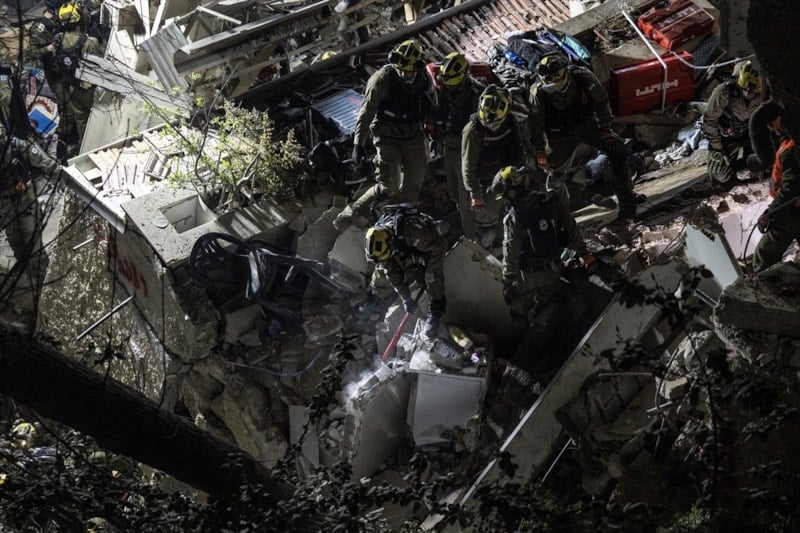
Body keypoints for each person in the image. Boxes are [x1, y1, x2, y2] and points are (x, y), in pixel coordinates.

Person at [334, 39, 436, 230]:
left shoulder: (423, 79)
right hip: (387, 137)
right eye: (400, 69)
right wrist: (358, 144)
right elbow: (366, 113)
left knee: (413, 185)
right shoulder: (382, 80)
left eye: (407, 71)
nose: (403, 73)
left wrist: (433, 131)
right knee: (390, 185)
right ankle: (352, 212)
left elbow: (432, 105)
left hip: (414, 135)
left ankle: (398, 223)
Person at [528, 54, 645, 216]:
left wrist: (605, 128)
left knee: (617, 148)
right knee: (555, 175)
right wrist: (540, 150)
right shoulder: (538, 93)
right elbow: (535, 123)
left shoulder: (582, 77)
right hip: (559, 137)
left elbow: (601, 102)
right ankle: (560, 216)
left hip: (587, 125)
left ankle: (627, 198)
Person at [492, 166, 594, 350]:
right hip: (554, 270)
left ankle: (522, 352)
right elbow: (571, 228)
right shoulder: (551, 200)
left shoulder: (514, 218)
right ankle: (553, 347)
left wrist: (507, 284)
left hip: (528, 277)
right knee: (547, 311)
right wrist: (585, 254)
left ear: (511, 194)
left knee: (518, 312)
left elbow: (511, 254)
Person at [1, 119, 63, 323]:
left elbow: (44, 161)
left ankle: (45, 297)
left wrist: (65, 177)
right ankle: (33, 293)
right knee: (18, 246)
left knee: (34, 249)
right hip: (5, 205)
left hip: (24, 200)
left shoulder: (16, 145)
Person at [462, 84, 532, 249]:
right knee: (487, 226)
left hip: (507, 177)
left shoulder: (511, 122)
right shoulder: (473, 130)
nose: (491, 126)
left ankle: (508, 249)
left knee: (511, 218)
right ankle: (485, 253)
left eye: (495, 123)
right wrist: (475, 194)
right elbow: (468, 166)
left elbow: (519, 149)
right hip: (486, 184)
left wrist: (522, 175)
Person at [363, 203, 448, 337]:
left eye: (386, 256)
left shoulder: (413, 233)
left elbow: (440, 245)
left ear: (391, 242)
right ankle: (377, 299)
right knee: (381, 278)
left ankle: (436, 310)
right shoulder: (379, 239)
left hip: (430, 245)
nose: (385, 260)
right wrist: (406, 298)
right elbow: (391, 271)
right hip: (404, 249)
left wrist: (430, 268)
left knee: (430, 278)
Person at [431, 52, 481, 237]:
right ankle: (461, 217)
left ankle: (471, 235)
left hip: (465, 148)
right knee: (453, 189)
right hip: (449, 145)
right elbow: (442, 113)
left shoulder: (475, 94)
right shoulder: (447, 90)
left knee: (464, 192)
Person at [749, 102, 800, 273]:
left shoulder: (792, 149)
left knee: (763, 256)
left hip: (792, 211)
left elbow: (790, 189)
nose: (771, 128)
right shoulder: (789, 141)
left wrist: (771, 213)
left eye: (772, 122)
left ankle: (765, 287)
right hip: (792, 208)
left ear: (782, 117)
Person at [702, 60, 767, 183]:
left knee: (764, 165)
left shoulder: (765, 93)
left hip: (751, 134)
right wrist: (717, 148)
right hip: (728, 136)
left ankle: (750, 163)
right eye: (745, 89)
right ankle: (733, 167)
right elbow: (709, 120)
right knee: (719, 175)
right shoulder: (724, 91)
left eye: (753, 91)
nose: (748, 93)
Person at [48, 3, 102, 148]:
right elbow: (101, 68)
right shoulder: (89, 42)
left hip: (72, 87)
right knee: (100, 117)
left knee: (81, 121)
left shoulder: (57, 41)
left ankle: (86, 148)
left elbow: (57, 65)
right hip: (90, 89)